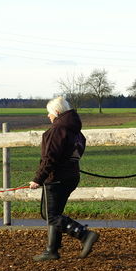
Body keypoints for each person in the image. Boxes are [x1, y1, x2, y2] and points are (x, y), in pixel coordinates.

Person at [29, 96, 99, 261]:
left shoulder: (57, 130)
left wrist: (38, 179)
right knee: (56, 213)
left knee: (50, 215)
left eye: (50, 113)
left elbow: (50, 158)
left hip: (56, 178)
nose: (48, 116)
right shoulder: (76, 131)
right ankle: (51, 250)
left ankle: (84, 234)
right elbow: (77, 152)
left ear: (57, 112)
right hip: (71, 177)